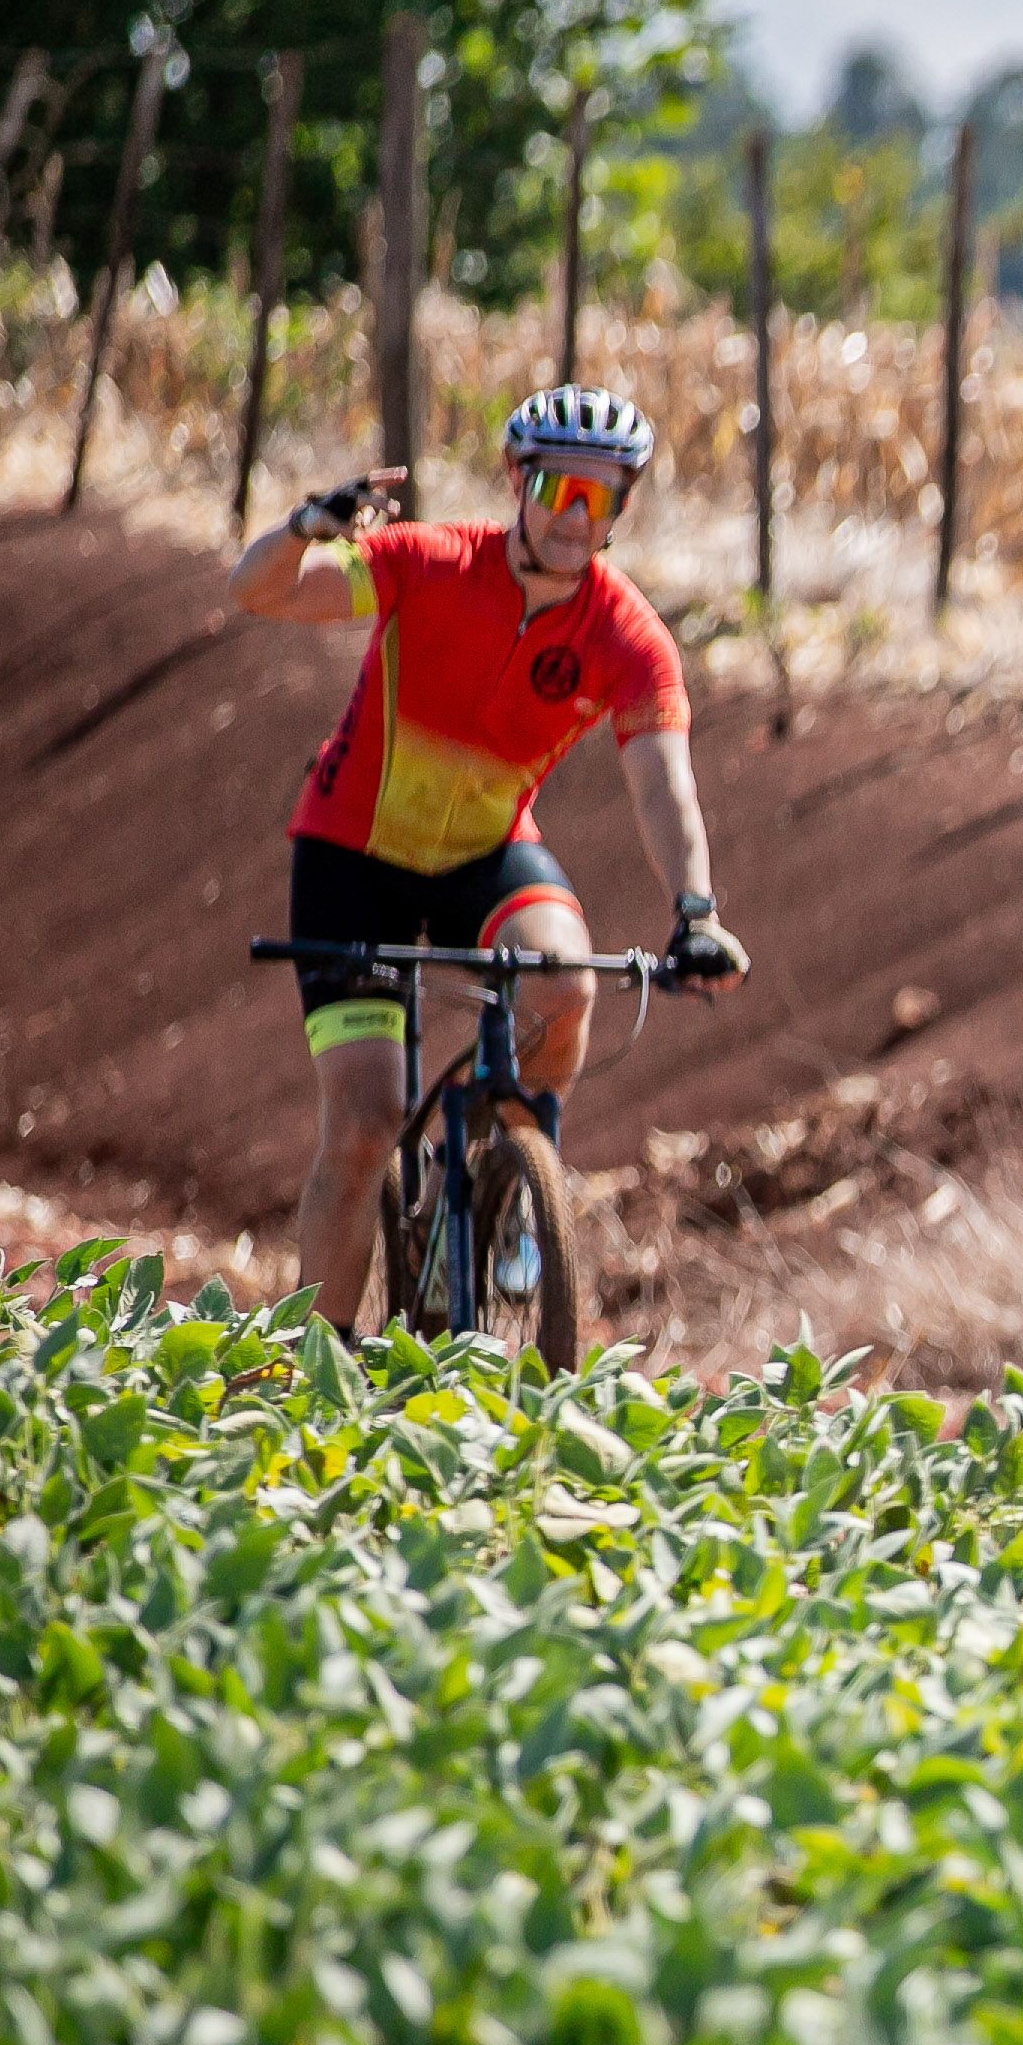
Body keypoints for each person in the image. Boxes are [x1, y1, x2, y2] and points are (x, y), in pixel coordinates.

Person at [229, 385, 750, 1335]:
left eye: (598, 496)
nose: (574, 516)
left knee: (567, 981)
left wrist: (696, 911)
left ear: (622, 506)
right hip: (352, 855)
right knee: (364, 1125)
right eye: (557, 489)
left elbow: (664, 784)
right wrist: (306, 529)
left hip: (486, 851)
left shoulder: (628, 636)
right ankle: (317, 1367)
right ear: (517, 481)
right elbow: (255, 590)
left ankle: (504, 1180)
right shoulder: (430, 561)